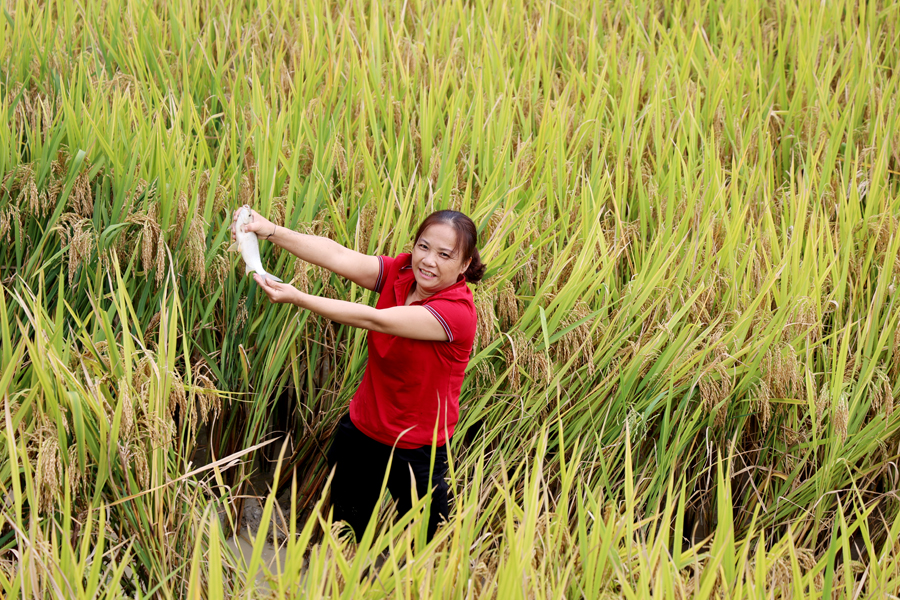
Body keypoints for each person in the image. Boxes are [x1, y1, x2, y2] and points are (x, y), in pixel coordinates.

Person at [231, 206, 486, 541]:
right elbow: (337, 255)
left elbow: (375, 319)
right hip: (362, 432)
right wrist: (272, 231)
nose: (428, 261)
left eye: (444, 254)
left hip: (418, 448)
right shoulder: (401, 272)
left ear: (465, 265)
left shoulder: (457, 313)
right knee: (347, 532)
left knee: (432, 545)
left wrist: (298, 297)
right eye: (423, 247)